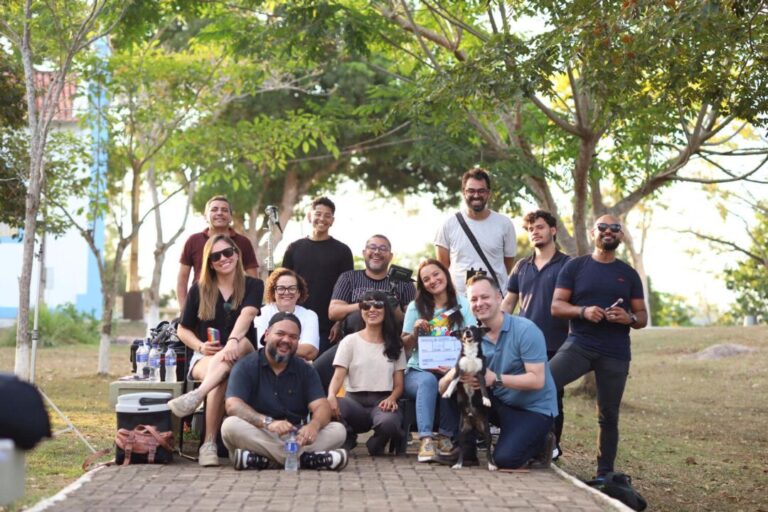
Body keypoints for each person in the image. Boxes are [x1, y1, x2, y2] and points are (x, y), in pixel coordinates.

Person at [550, 214, 648, 480]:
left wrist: (628, 318)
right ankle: (543, 448)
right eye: (602, 227)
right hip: (579, 345)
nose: (609, 231)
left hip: (615, 352)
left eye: (615, 228)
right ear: (593, 232)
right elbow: (557, 306)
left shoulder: (628, 274)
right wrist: (583, 311)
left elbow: (642, 317)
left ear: (621, 235)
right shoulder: (575, 267)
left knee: (608, 415)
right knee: (544, 383)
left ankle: (605, 474)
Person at [439, 275, 558, 469]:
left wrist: (495, 379)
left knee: (506, 460)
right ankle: (465, 452)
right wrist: (455, 373)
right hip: (501, 404)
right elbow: (442, 387)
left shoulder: (526, 330)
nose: (479, 303)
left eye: (485, 297)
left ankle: (542, 441)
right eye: (474, 299)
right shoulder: (472, 338)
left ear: (498, 297)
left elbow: (537, 380)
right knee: (458, 388)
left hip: (534, 409)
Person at [167, 234, 264, 467]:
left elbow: (247, 314)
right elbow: (183, 330)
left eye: (228, 252)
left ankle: (198, 399)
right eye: (216, 256)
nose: (223, 259)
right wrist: (200, 346)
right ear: (210, 262)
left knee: (235, 349)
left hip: (244, 351)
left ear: (236, 254)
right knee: (221, 372)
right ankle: (210, 443)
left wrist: (232, 340)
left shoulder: (253, 284)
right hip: (206, 357)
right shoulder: (198, 290)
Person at [220, 312, 348, 471]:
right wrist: (268, 423)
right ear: (266, 335)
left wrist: (314, 426)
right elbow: (233, 406)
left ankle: (264, 460)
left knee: (338, 431)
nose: (286, 340)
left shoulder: (306, 370)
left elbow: (321, 406)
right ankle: (306, 459)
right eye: (280, 334)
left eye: (293, 337)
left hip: (296, 436)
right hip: (260, 432)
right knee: (230, 426)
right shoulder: (246, 366)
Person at [502, 209, 570, 459]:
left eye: (540, 227)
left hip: (557, 343)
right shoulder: (522, 266)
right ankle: (532, 443)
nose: (535, 232)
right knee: (526, 395)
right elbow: (509, 302)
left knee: (553, 395)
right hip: (525, 344)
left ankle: (552, 448)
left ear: (553, 230)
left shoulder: (568, 264)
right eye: (531, 229)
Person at [313, 234, 415, 390]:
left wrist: (392, 309)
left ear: (390, 255)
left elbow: (412, 318)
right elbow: (333, 312)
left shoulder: (404, 283)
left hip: (390, 345)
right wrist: (364, 304)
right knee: (316, 370)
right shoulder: (349, 278)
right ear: (364, 252)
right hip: (351, 345)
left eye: (383, 249)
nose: (377, 252)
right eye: (372, 247)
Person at [401, 259, 475, 462]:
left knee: (451, 379)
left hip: (451, 366)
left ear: (445, 273)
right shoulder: (415, 307)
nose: (433, 280)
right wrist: (415, 332)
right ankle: (425, 439)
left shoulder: (463, 303)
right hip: (418, 370)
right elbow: (405, 346)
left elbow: (473, 336)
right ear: (422, 285)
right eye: (426, 279)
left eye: (436, 274)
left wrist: (454, 367)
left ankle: (446, 437)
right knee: (429, 381)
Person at [327, 290, 406, 456]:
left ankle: (376, 444)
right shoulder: (349, 341)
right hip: (354, 401)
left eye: (378, 305)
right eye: (366, 305)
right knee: (330, 405)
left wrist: (392, 398)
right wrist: (331, 396)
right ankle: (347, 437)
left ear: (386, 310)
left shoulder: (395, 344)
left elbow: (399, 384)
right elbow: (338, 376)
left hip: (382, 402)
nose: (372, 310)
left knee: (390, 423)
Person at [283, 197, 354, 355]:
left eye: (327, 216)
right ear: (309, 216)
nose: (322, 219)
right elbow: (282, 285)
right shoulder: (293, 248)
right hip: (295, 320)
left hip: (327, 327)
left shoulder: (343, 251)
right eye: (318, 214)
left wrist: (338, 323)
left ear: (332, 221)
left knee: (319, 371)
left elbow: (349, 291)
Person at [435, 168, 517, 294]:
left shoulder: (504, 224)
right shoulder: (448, 225)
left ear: (488, 193)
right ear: (463, 192)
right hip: (459, 302)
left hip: (495, 300)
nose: (476, 195)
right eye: (471, 191)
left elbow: (507, 266)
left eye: (481, 191)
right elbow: (442, 267)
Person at [177, 195, 259, 311]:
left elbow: (253, 278)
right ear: (206, 216)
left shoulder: (243, 242)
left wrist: (249, 309)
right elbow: (182, 278)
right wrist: (184, 310)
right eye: (214, 209)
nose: (220, 213)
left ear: (230, 217)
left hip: (235, 307)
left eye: (225, 210)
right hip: (201, 306)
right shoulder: (193, 241)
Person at [255, 267, 320, 361]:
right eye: (281, 288)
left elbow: (310, 352)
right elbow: (260, 348)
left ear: (299, 293)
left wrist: (274, 347)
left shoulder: (310, 315)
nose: (286, 292)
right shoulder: (261, 313)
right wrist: (295, 349)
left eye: (292, 288)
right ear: (273, 293)